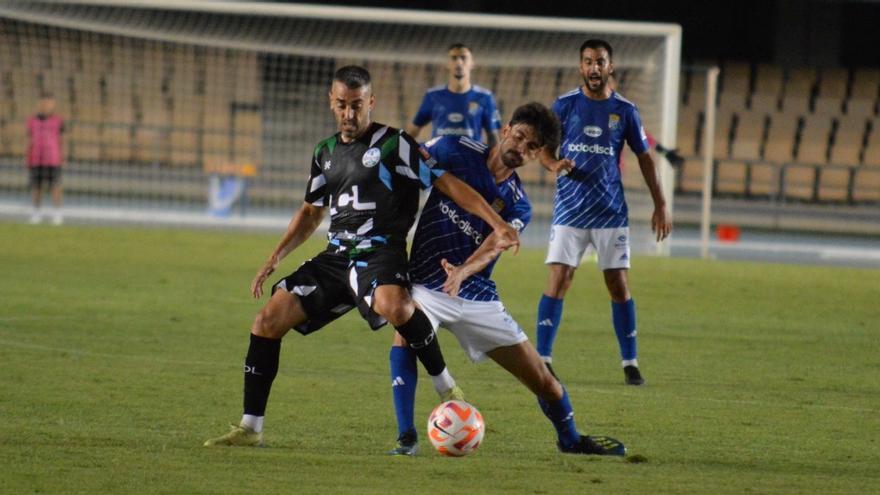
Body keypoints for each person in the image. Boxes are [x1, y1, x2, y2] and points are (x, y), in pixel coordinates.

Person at [203, 65, 519, 447]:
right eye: (341, 105)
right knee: (266, 320)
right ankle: (250, 427)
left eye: (356, 105)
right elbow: (310, 212)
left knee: (395, 306)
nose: (349, 115)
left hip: (381, 251)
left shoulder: (395, 144)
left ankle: (448, 388)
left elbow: (448, 184)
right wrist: (276, 256)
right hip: (337, 255)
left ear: (370, 102)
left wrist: (496, 223)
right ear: (331, 103)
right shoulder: (325, 152)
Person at [387, 102, 626, 457]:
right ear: (505, 130)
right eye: (519, 137)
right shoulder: (454, 148)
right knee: (405, 328)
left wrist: (463, 272)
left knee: (544, 380)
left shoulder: (519, 205)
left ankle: (571, 440)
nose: (522, 149)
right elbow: (411, 156)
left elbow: (495, 244)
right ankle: (406, 438)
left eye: (532, 148)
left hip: (477, 297)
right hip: (425, 283)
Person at [535, 39, 672, 386]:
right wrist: (554, 165)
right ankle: (543, 359)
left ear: (610, 67)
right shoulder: (564, 105)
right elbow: (543, 150)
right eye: (588, 62)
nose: (594, 68)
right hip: (569, 211)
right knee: (559, 280)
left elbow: (644, 157)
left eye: (600, 62)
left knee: (618, 285)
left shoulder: (626, 110)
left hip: (611, 213)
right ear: (580, 67)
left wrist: (661, 203)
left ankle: (630, 362)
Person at [407, 43, 501, 146]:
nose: (459, 62)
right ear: (448, 64)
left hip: (470, 160)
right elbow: (414, 130)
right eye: (454, 58)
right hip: (439, 160)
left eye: (463, 58)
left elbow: (493, 135)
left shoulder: (485, 97)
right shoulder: (433, 96)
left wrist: (495, 160)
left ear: (472, 64)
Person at [26, 93, 65, 225]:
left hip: (53, 159)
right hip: (36, 159)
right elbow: (29, 139)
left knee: (55, 187)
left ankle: (57, 213)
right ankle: (36, 213)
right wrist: (26, 156)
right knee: (36, 187)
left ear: (53, 105)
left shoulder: (58, 121)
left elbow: (62, 140)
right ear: (40, 104)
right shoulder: (32, 121)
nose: (47, 106)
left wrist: (63, 157)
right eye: (44, 103)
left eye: (49, 103)